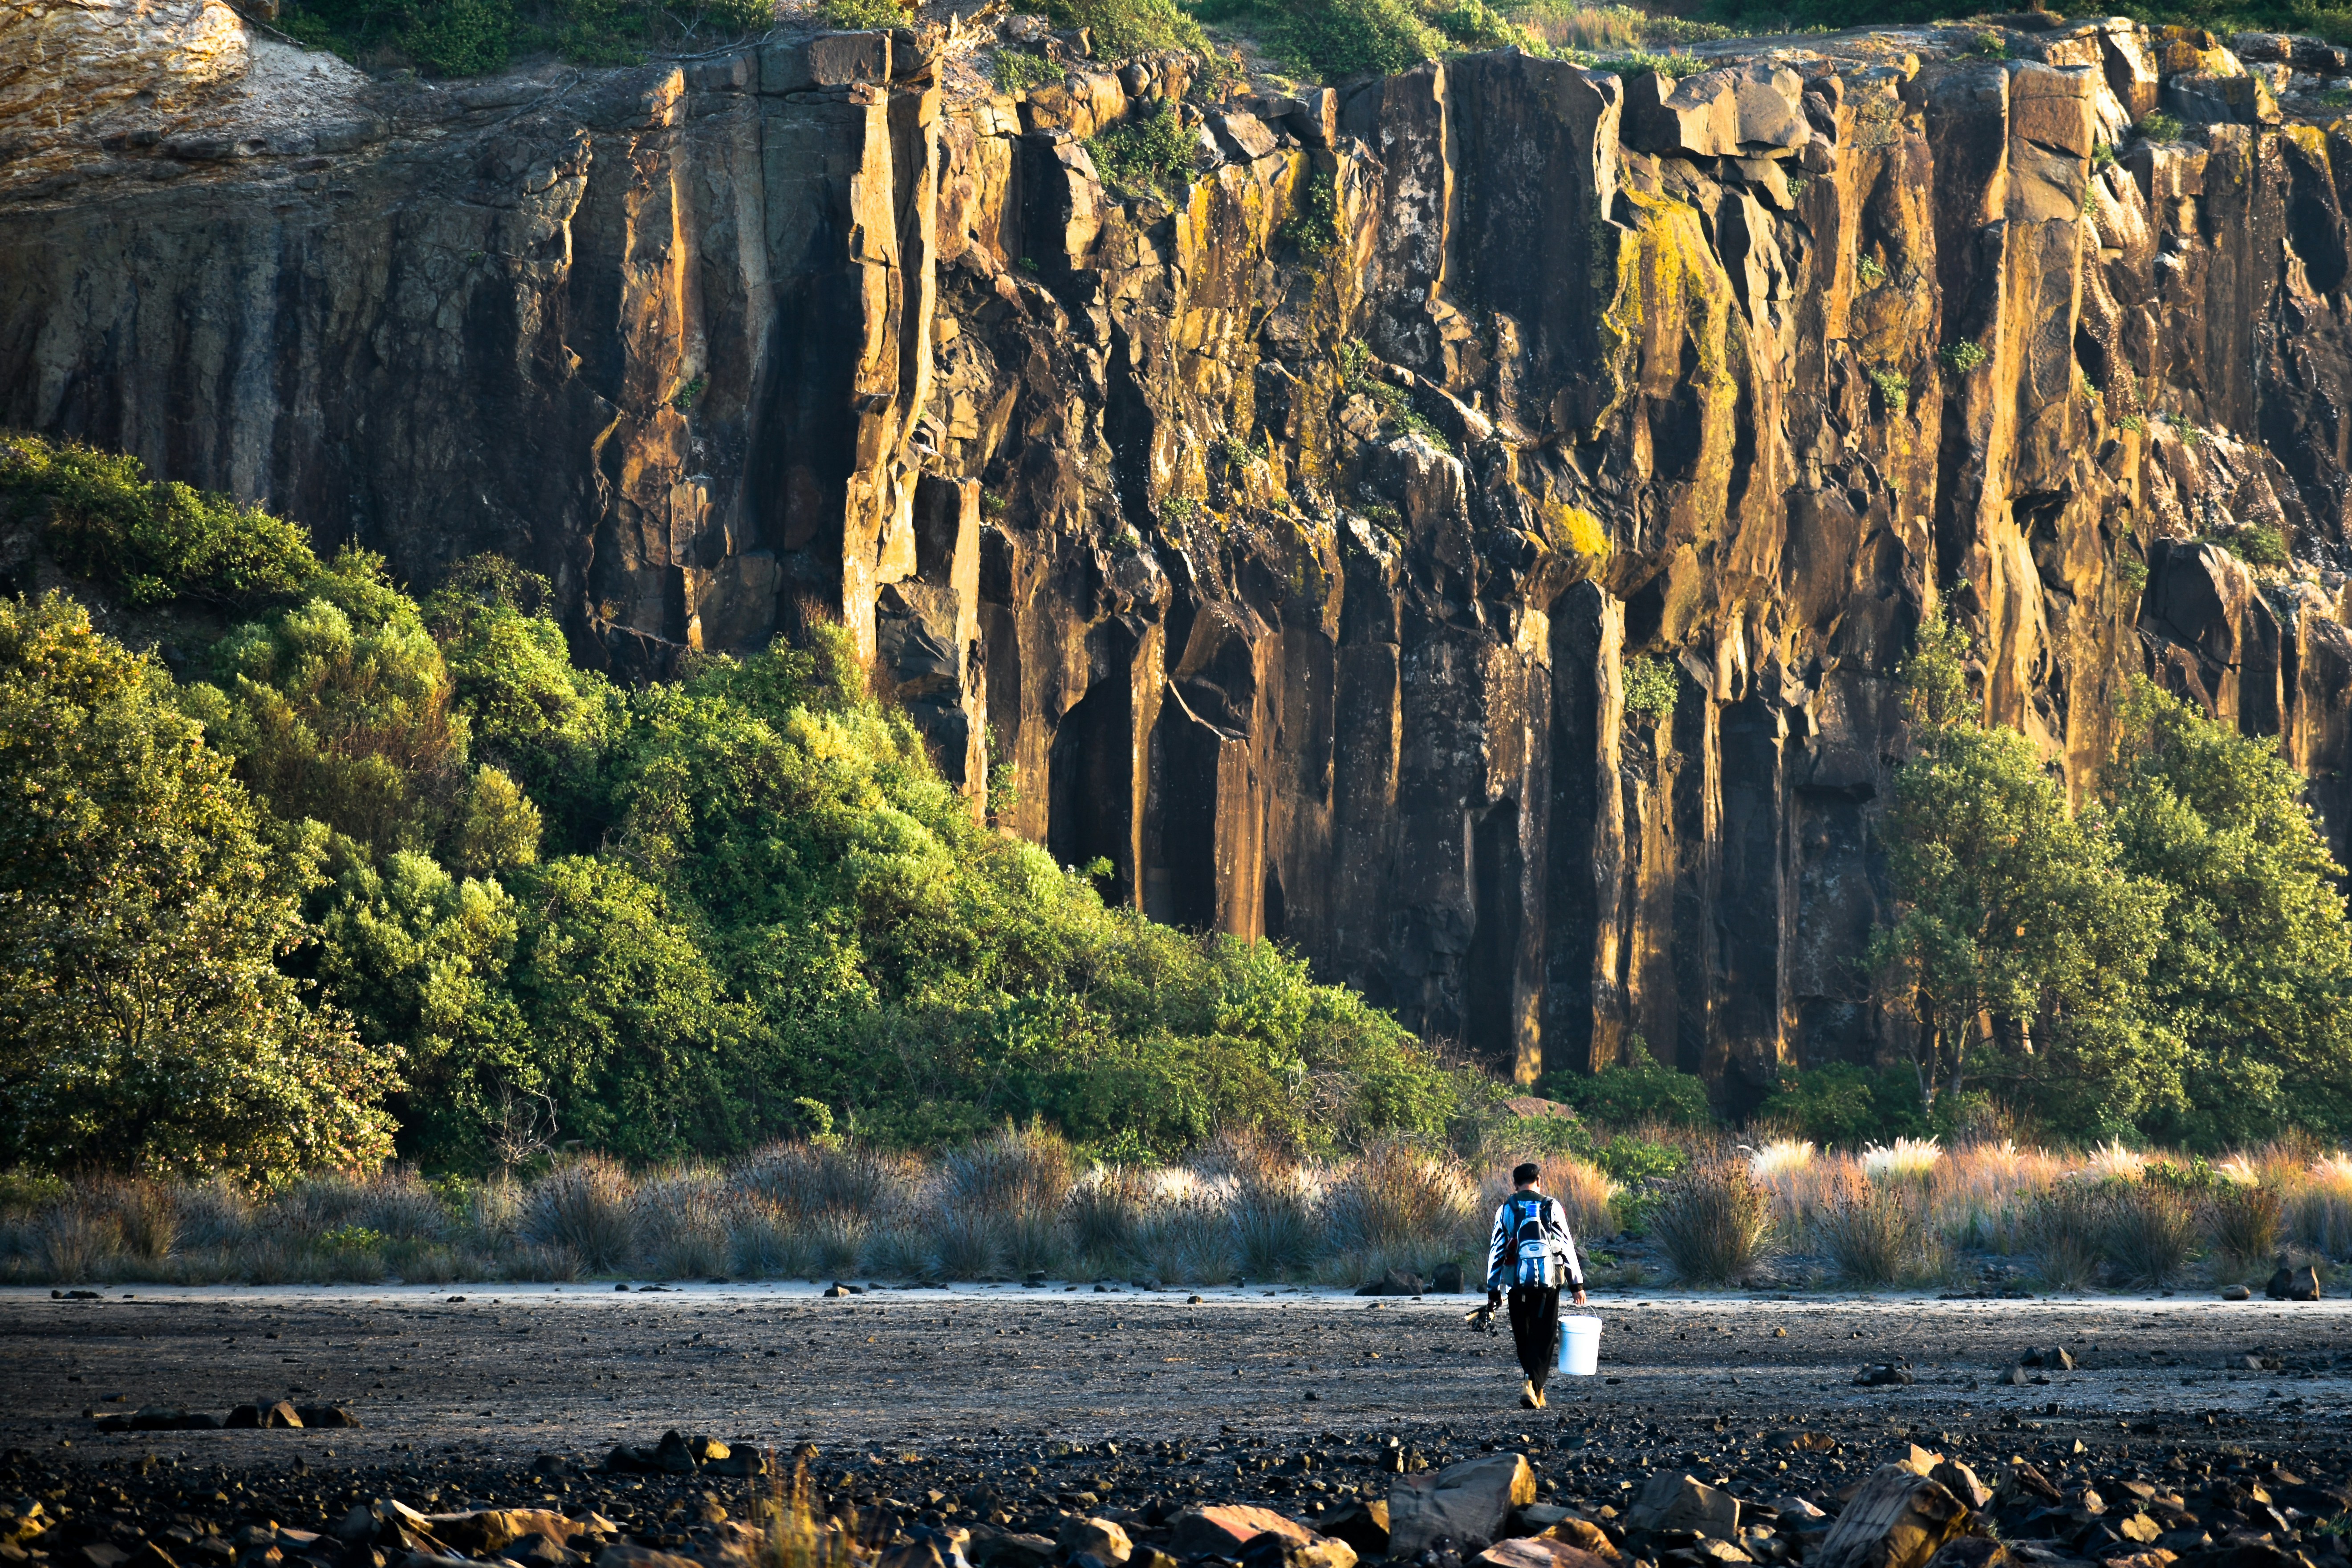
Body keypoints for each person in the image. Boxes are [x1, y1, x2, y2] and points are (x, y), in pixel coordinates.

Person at [1485, 1162, 1587, 1410]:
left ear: (1515, 1184)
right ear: (1539, 1181)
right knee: (1545, 1336)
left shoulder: (1506, 1209)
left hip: (1516, 1284)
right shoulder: (1552, 1207)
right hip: (1548, 1283)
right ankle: (1533, 1386)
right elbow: (1566, 1246)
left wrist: (1492, 1291)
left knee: (1524, 1337)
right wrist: (1577, 1284)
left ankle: (1532, 1385)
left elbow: (1496, 1251)